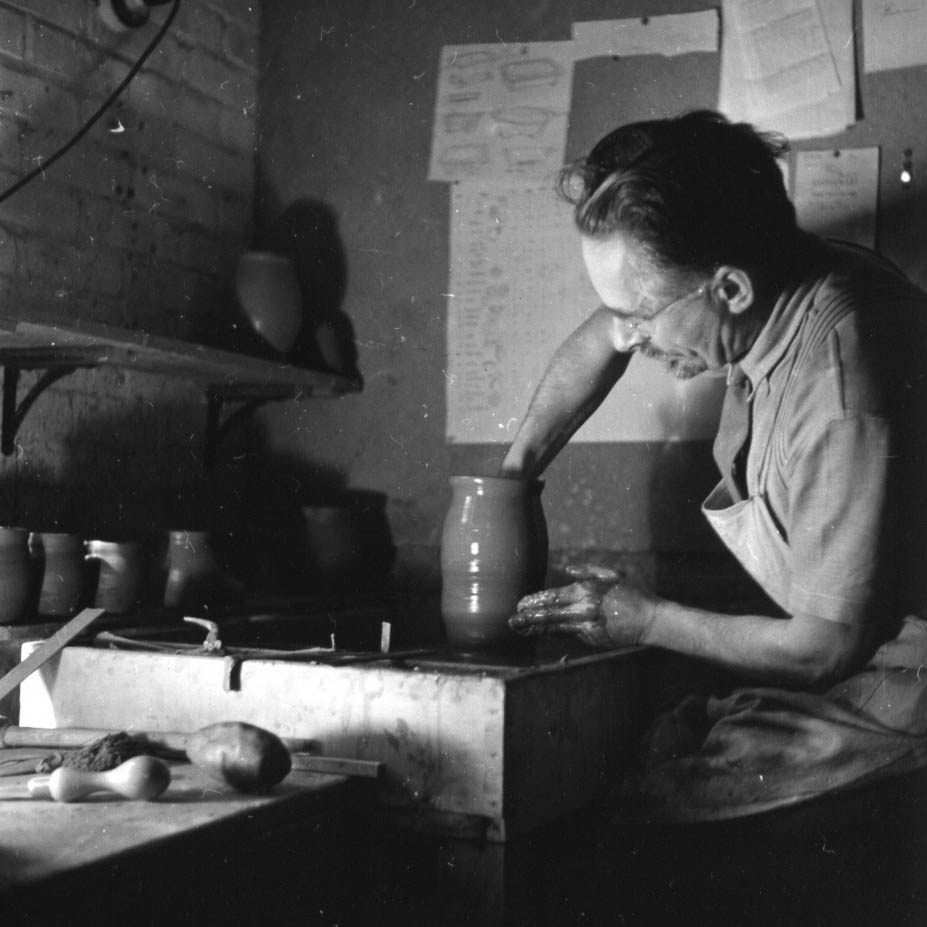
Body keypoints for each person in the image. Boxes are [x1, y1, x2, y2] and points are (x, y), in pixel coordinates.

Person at [500, 110, 927, 820]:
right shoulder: (783, 277)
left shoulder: (843, 386)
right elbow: (604, 331)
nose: (627, 338)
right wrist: (514, 474)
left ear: (728, 289)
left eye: (640, 316)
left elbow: (824, 646)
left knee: (657, 801)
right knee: (664, 736)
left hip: (904, 673)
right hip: (862, 653)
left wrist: (642, 620)